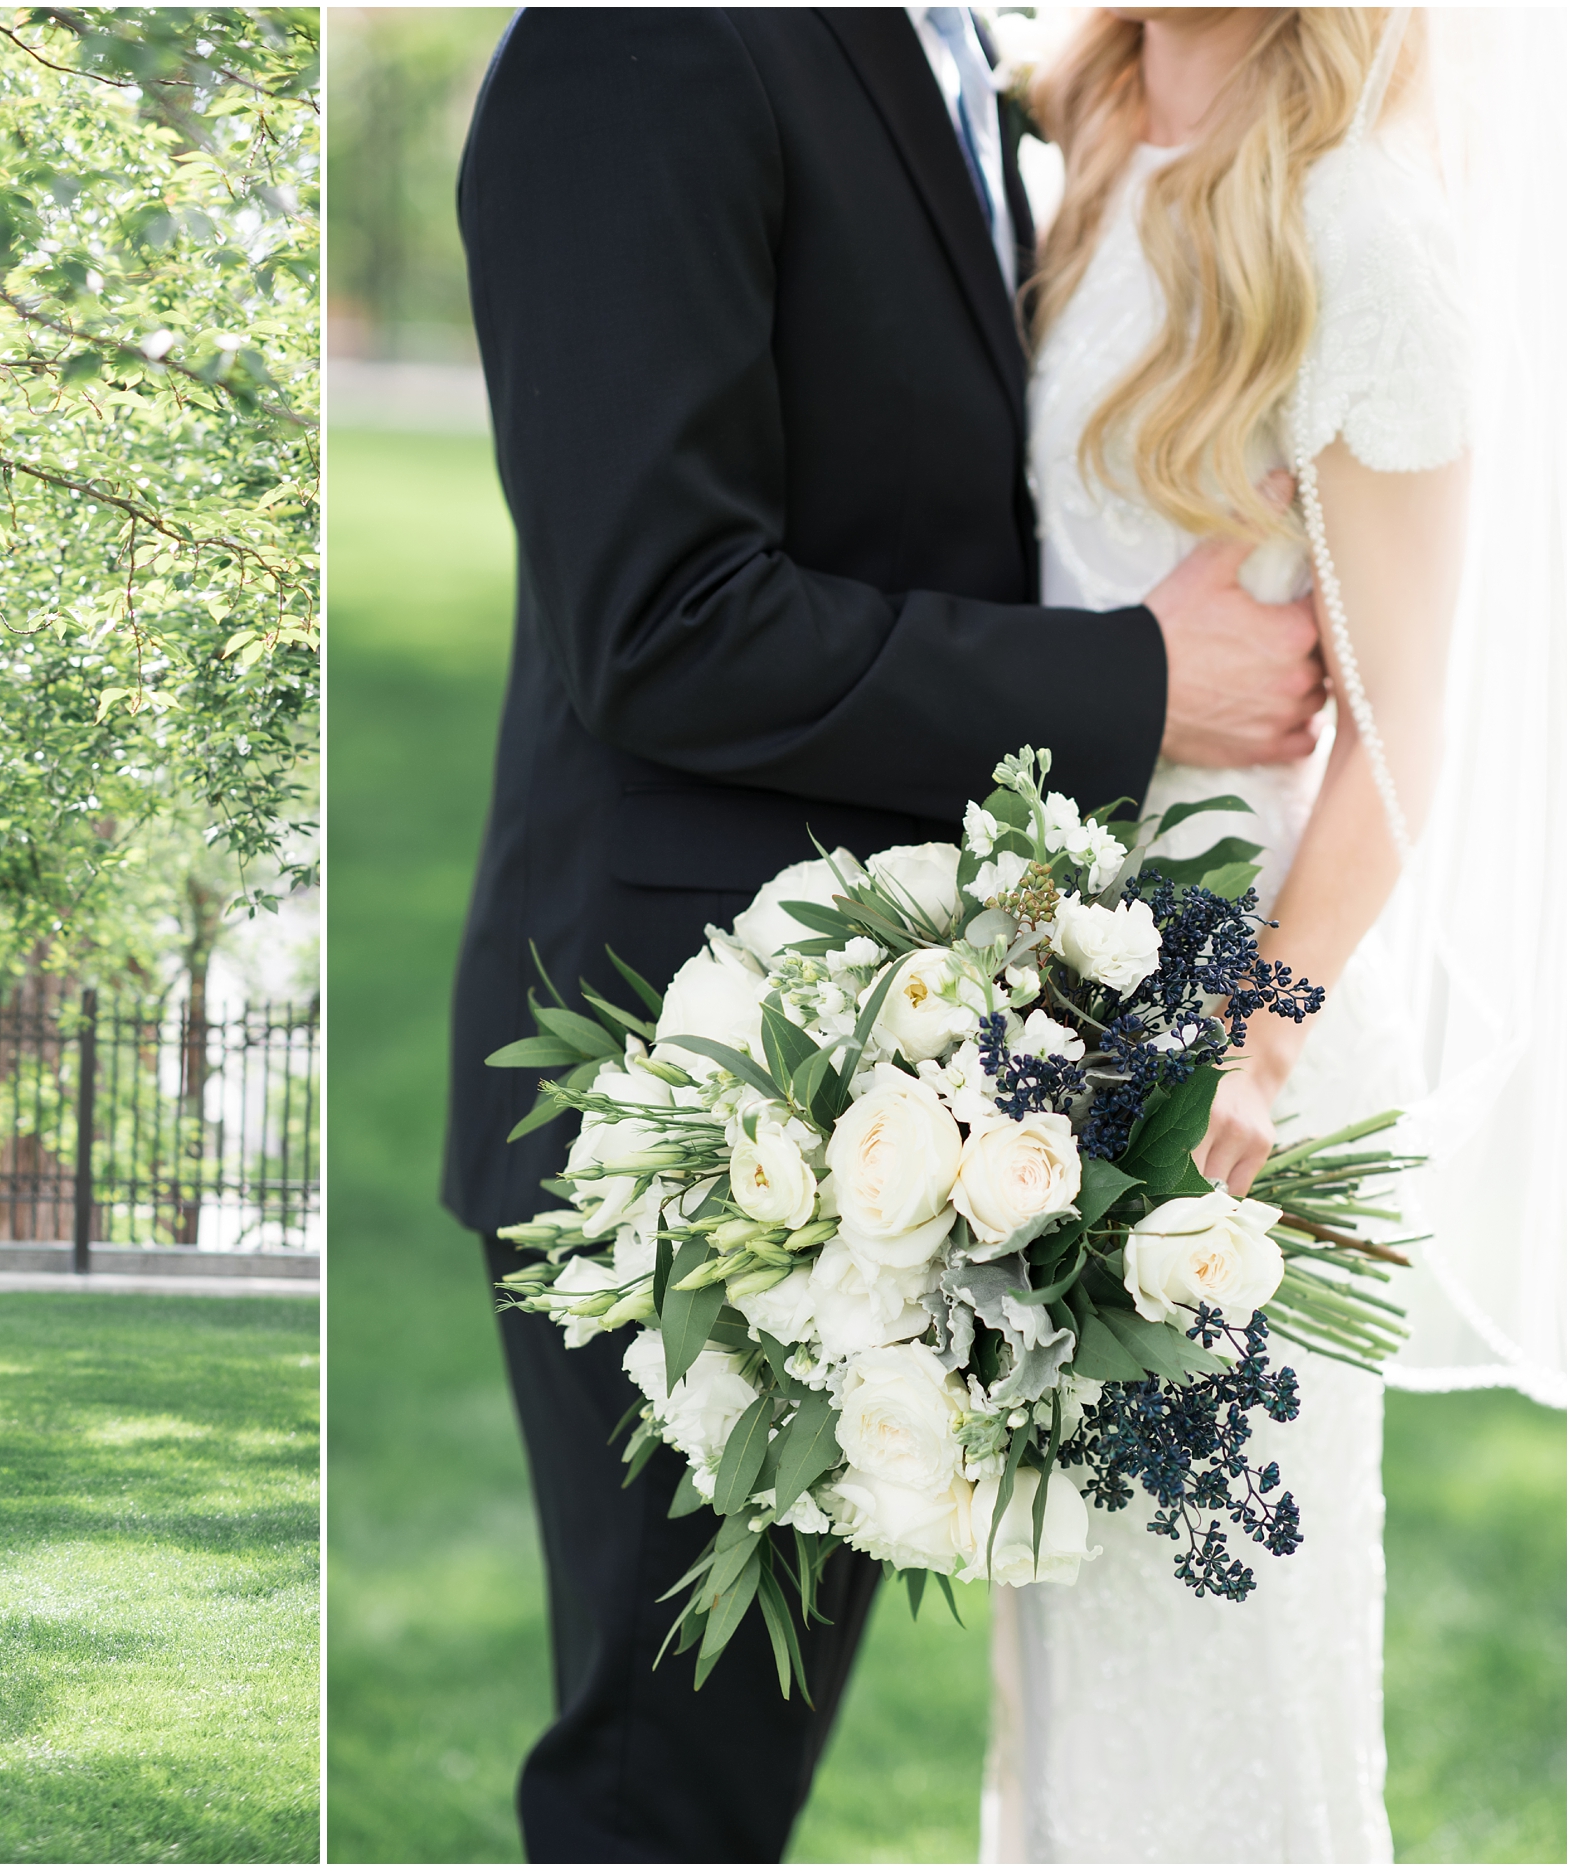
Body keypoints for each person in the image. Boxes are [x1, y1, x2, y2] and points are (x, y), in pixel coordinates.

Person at [446, 9, 1333, 1859]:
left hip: (930, 1075)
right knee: (665, 1789)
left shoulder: (976, 58)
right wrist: (1138, 677)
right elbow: (664, 618)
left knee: (738, 1778)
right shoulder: (645, 43)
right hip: (688, 1093)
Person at [984, 11, 1469, 1859]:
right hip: (1038, 1013)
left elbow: (1405, 730)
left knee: (1223, 1649)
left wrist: (1249, 1049)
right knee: (1070, 1692)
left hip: (1245, 1039)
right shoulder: (1077, 130)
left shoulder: (1361, 224)